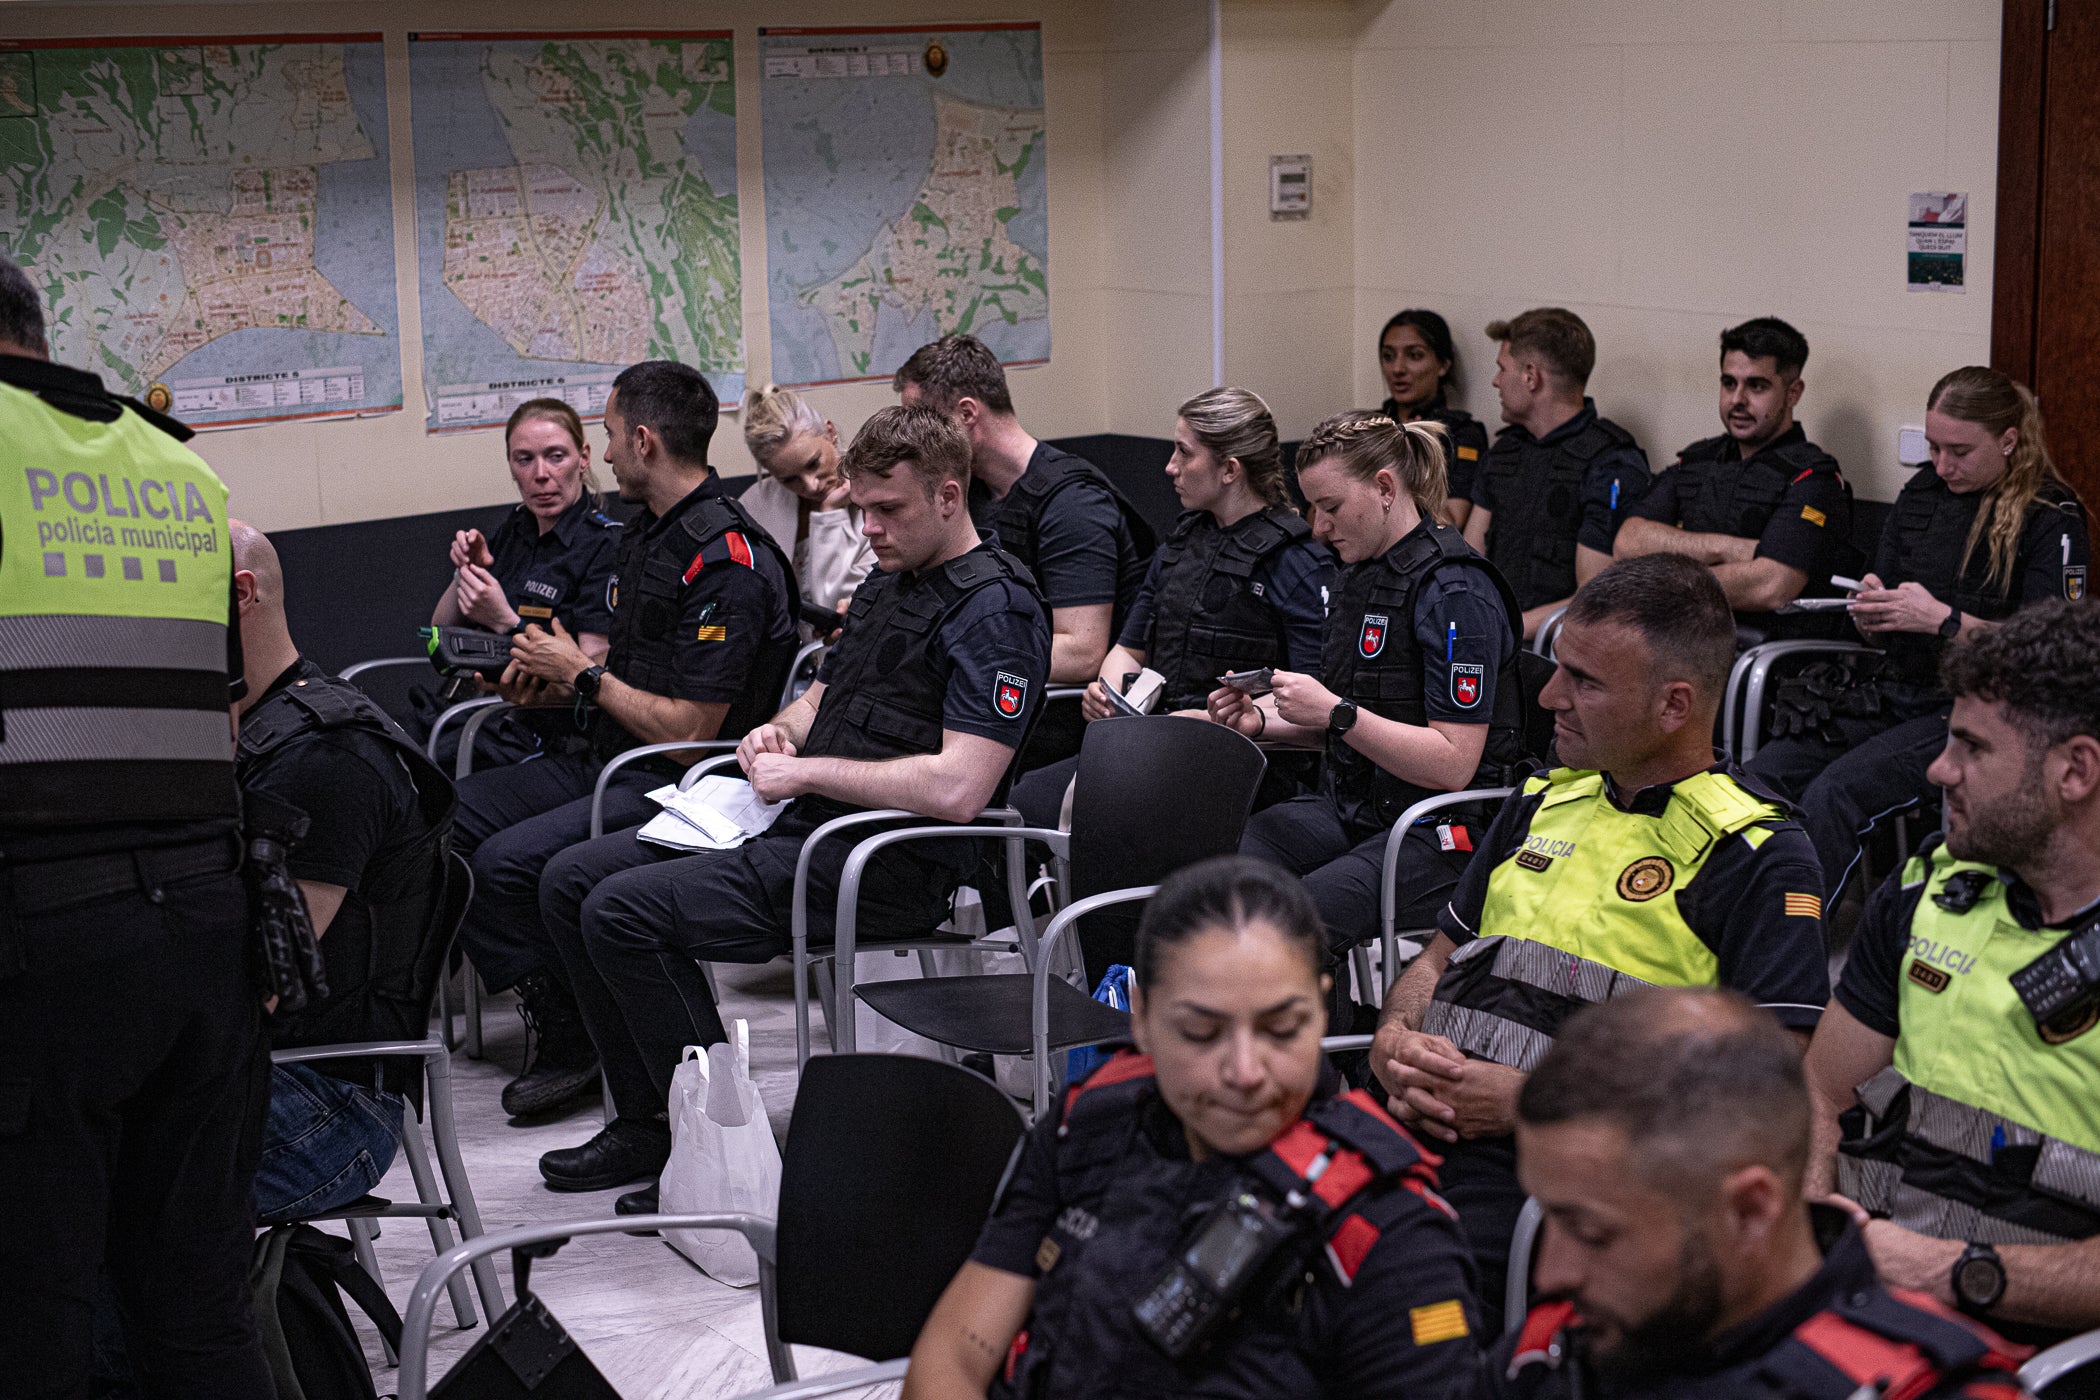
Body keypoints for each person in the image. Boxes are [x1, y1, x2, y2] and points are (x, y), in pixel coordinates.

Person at [533, 405, 1050, 1194]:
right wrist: (778, 734)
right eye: (862, 508)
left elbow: (960, 787)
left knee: (622, 911)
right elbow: (822, 698)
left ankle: (719, 1149)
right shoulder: (889, 582)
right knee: (570, 879)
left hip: (883, 862)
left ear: (951, 496)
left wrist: (807, 774)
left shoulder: (995, 610)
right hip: (802, 824)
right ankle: (650, 1122)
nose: (868, 529)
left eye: (889, 511)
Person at [1373, 555, 1830, 1332]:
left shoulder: (1756, 852)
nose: (1549, 696)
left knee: (1399, 1311)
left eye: (1583, 681)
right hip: (1410, 1116)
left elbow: (1764, 1094)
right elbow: (1437, 960)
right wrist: (1394, 1039)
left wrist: (1527, 1105)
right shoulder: (1544, 799)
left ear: (1673, 705)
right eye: (1557, 670)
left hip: (1561, 1178)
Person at [904, 856, 1485, 1400]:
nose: (1244, 1072)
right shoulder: (1090, 1122)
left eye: (1282, 1028)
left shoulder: (1388, 1230)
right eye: (1201, 1033)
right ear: (1142, 1019)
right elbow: (954, 1353)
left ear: (1321, 1007)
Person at [0, 253, 275, 1394]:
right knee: (198, 1305)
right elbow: (221, 707)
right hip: (207, 926)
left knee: (35, 1315)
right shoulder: (174, 468)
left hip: (40, 945)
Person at [451, 360, 799, 1122]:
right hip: (605, 751)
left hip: (687, 782)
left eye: (606, 437)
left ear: (642, 441)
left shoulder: (724, 559)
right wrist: (546, 679)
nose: (601, 456)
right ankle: (592, 1049)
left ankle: (585, 1050)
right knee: (445, 817)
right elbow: (619, 681)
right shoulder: (650, 534)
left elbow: (686, 737)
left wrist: (578, 672)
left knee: (518, 867)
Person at [1805, 600, 2100, 1359]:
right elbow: (1822, 1095)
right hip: (1871, 1306)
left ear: (2076, 771)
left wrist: (1950, 1273)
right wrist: (1811, 1227)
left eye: (1971, 748)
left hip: (2038, 1353)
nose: (1940, 770)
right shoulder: (1925, 892)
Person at [1484, 988, 2029, 1399]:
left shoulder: (1924, 1387)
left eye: (1592, 1233)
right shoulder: (1559, 1341)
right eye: (1548, 1216)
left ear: (1749, 1211)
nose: (1549, 1274)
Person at [1215, 410, 1522, 1027]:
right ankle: (1319, 1039)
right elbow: (1351, 721)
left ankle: (1335, 1076)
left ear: (1386, 489)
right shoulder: (1362, 576)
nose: (1316, 526)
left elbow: (1455, 763)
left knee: (1293, 923)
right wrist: (1262, 724)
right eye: (1310, 507)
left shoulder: (1454, 589)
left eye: (1329, 506)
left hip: (1444, 830)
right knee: (1220, 876)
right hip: (1361, 804)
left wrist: (1337, 713)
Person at [1749, 366, 2090, 902]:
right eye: (1932, 447)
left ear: (2008, 441)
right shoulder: (1923, 493)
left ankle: (1786, 955)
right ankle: (1725, 927)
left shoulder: (2051, 516)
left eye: (1959, 450)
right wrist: (1872, 613)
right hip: (1891, 689)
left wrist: (1943, 621)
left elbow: (2053, 654)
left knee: (1834, 795)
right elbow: (1884, 608)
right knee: (1756, 782)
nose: (1941, 464)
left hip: (1974, 707)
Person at [230, 523, 457, 1222]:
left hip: (335, 1107)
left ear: (241, 595)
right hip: (276, 1072)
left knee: (78, 1181)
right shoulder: (253, 731)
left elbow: (256, 991)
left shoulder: (325, 761)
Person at [1009, 387, 1335, 828]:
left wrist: (1216, 720)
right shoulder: (1181, 546)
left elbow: (1317, 702)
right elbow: (1129, 649)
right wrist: (1107, 698)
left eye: (1184, 453)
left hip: (1244, 762)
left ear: (1229, 470)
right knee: (1027, 800)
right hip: (1156, 743)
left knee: (1115, 820)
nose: (1170, 467)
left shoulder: (1297, 562)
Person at [896, 333, 1155, 763]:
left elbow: (1082, 651)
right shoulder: (970, 493)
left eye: (924, 423)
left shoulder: (1073, 504)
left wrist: (951, 655)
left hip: (1049, 723)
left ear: (966, 415)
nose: (913, 440)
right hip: (980, 704)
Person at [1614, 318, 1854, 633]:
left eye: (1757, 386)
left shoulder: (1811, 477)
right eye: (1729, 383)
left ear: (1793, 393)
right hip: (1683, 639)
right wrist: (1728, 548)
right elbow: (1627, 542)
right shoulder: (1699, 460)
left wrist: (1662, 580)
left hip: (1763, 655)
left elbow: (1771, 585)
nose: (1737, 399)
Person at [420, 397, 620, 767]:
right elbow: (440, 631)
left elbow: (593, 675)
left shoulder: (604, 544)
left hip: (542, 730)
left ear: (584, 457)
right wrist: (466, 573)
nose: (540, 474)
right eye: (524, 459)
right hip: (467, 708)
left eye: (556, 456)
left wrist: (504, 620)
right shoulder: (515, 528)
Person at [1464, 308, 1651, 641]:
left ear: (1531, 376)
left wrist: (1506, 630)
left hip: (1558, 654)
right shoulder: (1505, 451)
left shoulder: (1610, 462)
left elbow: (1596, 597)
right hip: (1490, 641)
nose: (1495, 381)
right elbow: (1468, 560)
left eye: (1501, 369)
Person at [738, 381, 877, 633]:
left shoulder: (876, 500)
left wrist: (830, 515)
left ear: (830, 432)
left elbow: (835, 610)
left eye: (813, 464)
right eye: (788, 479)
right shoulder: (757, 501)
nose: (811, 486)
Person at [1377, 309, 1491, 529]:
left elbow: (1450, 525)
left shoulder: (1460, 434)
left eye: (1415, 355)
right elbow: (1320, 523)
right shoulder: (1369, 426)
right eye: (1389, 356)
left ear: (1443, 365)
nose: (1398, 369)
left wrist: (1411, 460)